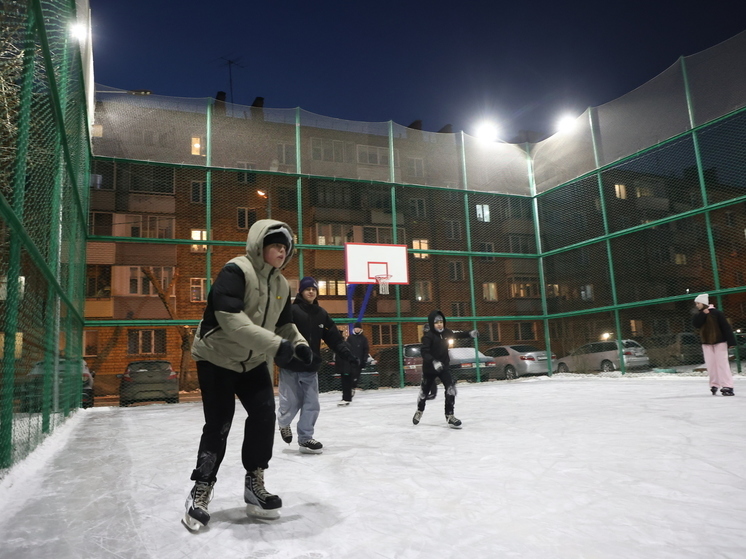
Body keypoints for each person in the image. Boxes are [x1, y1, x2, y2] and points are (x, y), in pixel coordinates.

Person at [182, 219, 313, 532]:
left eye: (285, 247)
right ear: (259, 246)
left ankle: (254, 483)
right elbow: (231, 321)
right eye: (275, 245)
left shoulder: (282, 285)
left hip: (252, 360)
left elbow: (284, 325)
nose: (281, 251)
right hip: (216, 357)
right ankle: (200, 489)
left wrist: (299, 344)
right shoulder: (235, 271)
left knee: (265, 415)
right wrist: (275, 345)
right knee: (219, 423)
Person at [278, 277, 360, 453]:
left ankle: (305, 438)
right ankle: (284, 423)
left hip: (310, 367)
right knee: (291, 402)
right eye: (307, 289)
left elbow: (334, 340)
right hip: (291, 365)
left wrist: (348, 355)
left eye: (314, 289)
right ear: (301, 291)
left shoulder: (321, 314)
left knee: (312, 404)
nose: (311, 292)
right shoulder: (291, 311)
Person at [413, 310, 478, 428]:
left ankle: (450, 415)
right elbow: (424, 352)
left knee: (450, 389)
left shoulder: (447, 332)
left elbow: (457, 335)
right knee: (424, 393)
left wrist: (469, 334)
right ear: (432, 324)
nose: (439, 324)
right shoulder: (428, 337)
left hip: (443, 367)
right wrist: (434, 361)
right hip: (430, 369)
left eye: (441, 321)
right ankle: (419, 411)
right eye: (436, 322)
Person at [692, 293, 735, 396]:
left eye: (698, 303)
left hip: (720, 342)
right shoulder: (698, 315)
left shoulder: (717, 313)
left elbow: (726, 327)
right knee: (711, 364)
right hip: (706, 343)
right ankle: (714, 384)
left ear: (703, 303)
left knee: (722, 364)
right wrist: (703, 314)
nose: (697, 305)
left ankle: (728, 386)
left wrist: (731, 342)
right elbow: (696, 325)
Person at [337, 321, 372, 406]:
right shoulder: (350, 338)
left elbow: (365, 350)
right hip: (350, 362)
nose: (357, 329)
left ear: (360, 329)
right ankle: (349, 392)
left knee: (355, 376)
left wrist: (364, 360)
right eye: (355, 328)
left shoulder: (363, 339)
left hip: (359, 361)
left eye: (358, 328)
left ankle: (352, 388)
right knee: (349, 377)